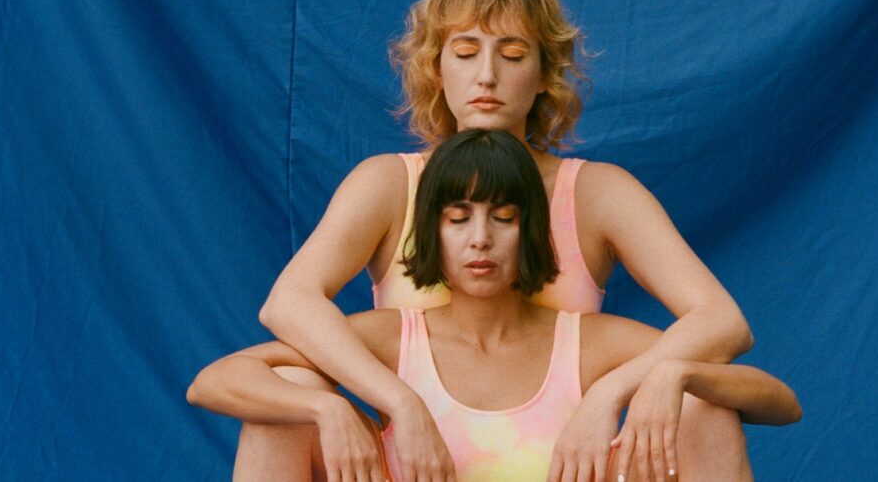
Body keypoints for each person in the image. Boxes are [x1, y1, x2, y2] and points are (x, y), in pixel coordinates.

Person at [252, 0, 758, 481]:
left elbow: (721, 322)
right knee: (289, 394)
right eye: (466, 53)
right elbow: (289, 303)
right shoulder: (387, 183)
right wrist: (397, 402)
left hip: (562, 467)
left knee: (702, 398)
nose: (487, 76)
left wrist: (616, 390)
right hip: (414, 467)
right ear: (435, 68)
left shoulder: (598, 193)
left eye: (512, 55)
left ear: (544, 74)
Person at [188, 130, 802, 482]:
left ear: (530, 234)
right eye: (458, 220)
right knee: (289, 394)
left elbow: (780, 403)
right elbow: (213, 382)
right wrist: (327, 408)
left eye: (503, 218)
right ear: (431, 236)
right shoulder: (390, 340)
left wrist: (675, 376)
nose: (480, 239)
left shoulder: (586, 342)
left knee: (702, 401)